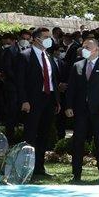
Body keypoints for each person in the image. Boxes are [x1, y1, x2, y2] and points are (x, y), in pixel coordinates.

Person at [65, 36, 99, 181]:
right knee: (78, 142)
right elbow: (71, 89)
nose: (84, 49)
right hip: (81, 111)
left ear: (96, 49)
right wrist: (68, 106)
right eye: (83, 46)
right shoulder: (77, 65)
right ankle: (76, 174)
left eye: (88, 47)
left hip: (98, 111)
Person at [15, 27, 61, 179]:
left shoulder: (47, 55)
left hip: (48, 100)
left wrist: (56, 101)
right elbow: (20, 82)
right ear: (36, 39)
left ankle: (39, 167)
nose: (50, 39)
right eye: (46, 37)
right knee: (30, 134)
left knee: (44, 135)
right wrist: (24, 101)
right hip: (33, 101)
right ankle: (26, 168)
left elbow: (53, 80)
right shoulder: (25, 56)